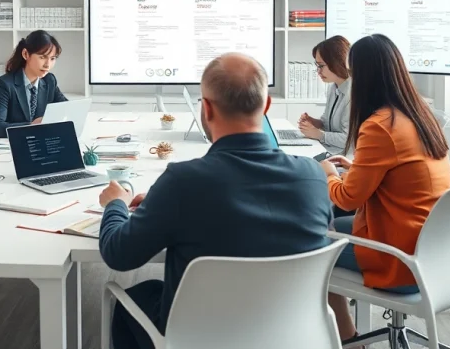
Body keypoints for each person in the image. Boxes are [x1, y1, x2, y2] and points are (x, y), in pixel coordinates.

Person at [97, 53, 334, 349]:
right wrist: (161, 202)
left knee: (135, 299)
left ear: (206, 108)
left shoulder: (182, 182)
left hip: (198, 336)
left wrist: (116, 204)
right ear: (267, 106)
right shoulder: (312, 176)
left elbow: (119, 255)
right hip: (290, 331)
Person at [319, 34, 450, 343]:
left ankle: (347, 337)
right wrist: (356, 169)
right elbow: (405, 177)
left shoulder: (380, 125)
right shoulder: (420, 115)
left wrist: (327, 171)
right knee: (334, 224)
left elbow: (347, 196)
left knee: (316, 240)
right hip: (439, 251)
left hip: (402, 260)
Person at [0, 30, 67, 138]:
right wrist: (31, 125)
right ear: (26, 54)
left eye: (52, 59)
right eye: (42, 57)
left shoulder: (49, 80)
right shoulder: (4, 84)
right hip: (14, 145)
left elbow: (66, 109)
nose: (48, 64)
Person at [298, 35, 351, 155]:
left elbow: (348, 140)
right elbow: (326, 122)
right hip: (329, 151)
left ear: (337, 62)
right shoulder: (333, 87)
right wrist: (313, 122)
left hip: (344, 158)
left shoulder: (354, 94)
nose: (318, 71)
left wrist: (318, 134)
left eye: (321, 66)